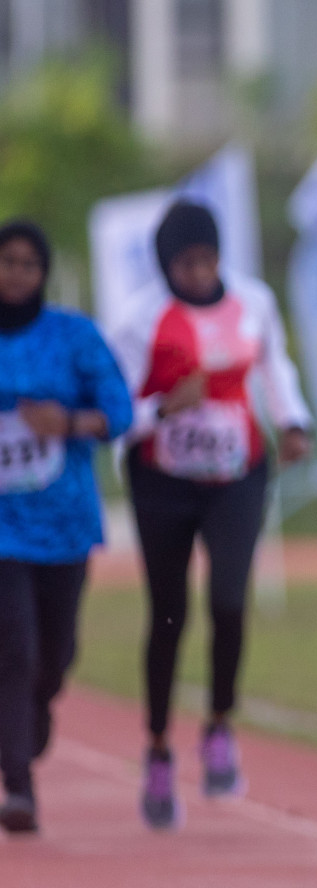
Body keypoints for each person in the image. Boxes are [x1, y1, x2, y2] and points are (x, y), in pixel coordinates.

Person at [109, 201, 313, 830]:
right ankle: (158, 748)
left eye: (206, 259)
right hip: (162, 480)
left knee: (229, 599)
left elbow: (275, 363)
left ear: (220, 256)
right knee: (169, 612)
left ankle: (220, 726)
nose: (197, 273)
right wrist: (164, 410)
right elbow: (117, 410)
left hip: (236, 475)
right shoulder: (140, 321)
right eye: (184, 263)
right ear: (166, 265)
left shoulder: (253, 302)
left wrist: (293, 420)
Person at [0, 219, 133, 834]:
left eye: (29, 263)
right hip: (4, 530)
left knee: (54, 655)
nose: (16, 273)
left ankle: (35, 707)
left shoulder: (74, 336)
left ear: (44, 273)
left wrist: (69, 423)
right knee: (13, 646)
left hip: (65, 522)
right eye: (7, 262)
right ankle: (19, 787)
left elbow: (120, 411)